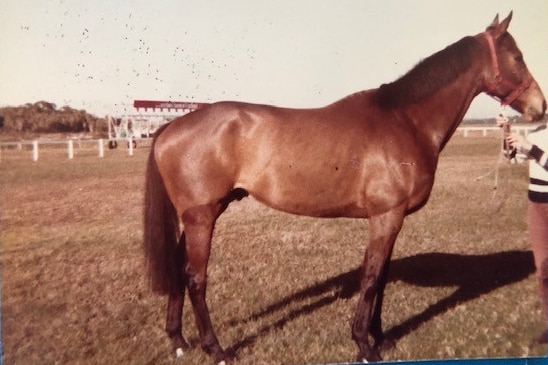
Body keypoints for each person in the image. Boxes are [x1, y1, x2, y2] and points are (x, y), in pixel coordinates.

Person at [508, 124, 548, 345]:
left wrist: (531, 148)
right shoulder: (537, 131)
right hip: (536, 205)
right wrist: (506, 134)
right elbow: (513, 158)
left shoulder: (533, 139)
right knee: (543, 270)